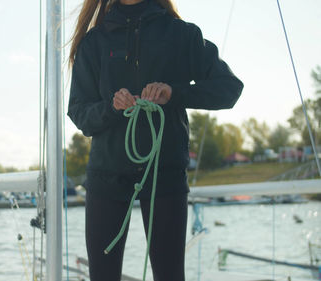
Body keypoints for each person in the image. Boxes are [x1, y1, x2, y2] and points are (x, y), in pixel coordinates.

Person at [67, 0, 243, 280]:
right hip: (106, 178)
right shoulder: (94, 42)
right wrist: (112, 107)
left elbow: (229, 89)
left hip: (166, 175)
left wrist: (174, 93)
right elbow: (78, 112)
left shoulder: (181, 34)